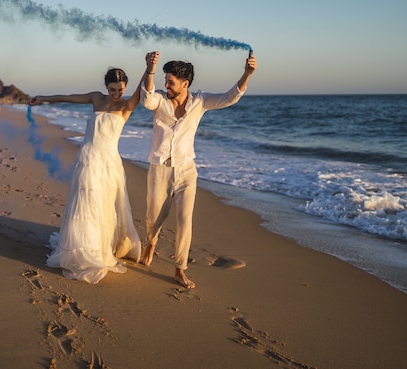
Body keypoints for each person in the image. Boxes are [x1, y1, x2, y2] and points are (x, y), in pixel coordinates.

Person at [29, 52, 159, 284]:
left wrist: (150, 67)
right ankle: (82, 248)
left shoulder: (127, 106)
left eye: (120, 89)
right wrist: (42, 98)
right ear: (106, 87)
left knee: (105, 205)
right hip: (88, 157)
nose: (117, 94)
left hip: (109, 163)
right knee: (84, 201)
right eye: (112, 89)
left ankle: (101, 247)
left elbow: (143, 88)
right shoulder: (96, 99)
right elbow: (67, 97)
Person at [139, 50, 257, 289]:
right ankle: (151, 242)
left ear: (185, 83)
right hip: (160, 168)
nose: (167, 85)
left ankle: (179, 269)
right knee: (154, 218)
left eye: (171, 82)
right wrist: (150, 70)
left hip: (186, 171)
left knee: (185, 221)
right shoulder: (160, 100)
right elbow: (146, 99)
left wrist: (247, 74)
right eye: (165, 81)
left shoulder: (200, 102)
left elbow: (229, 97)